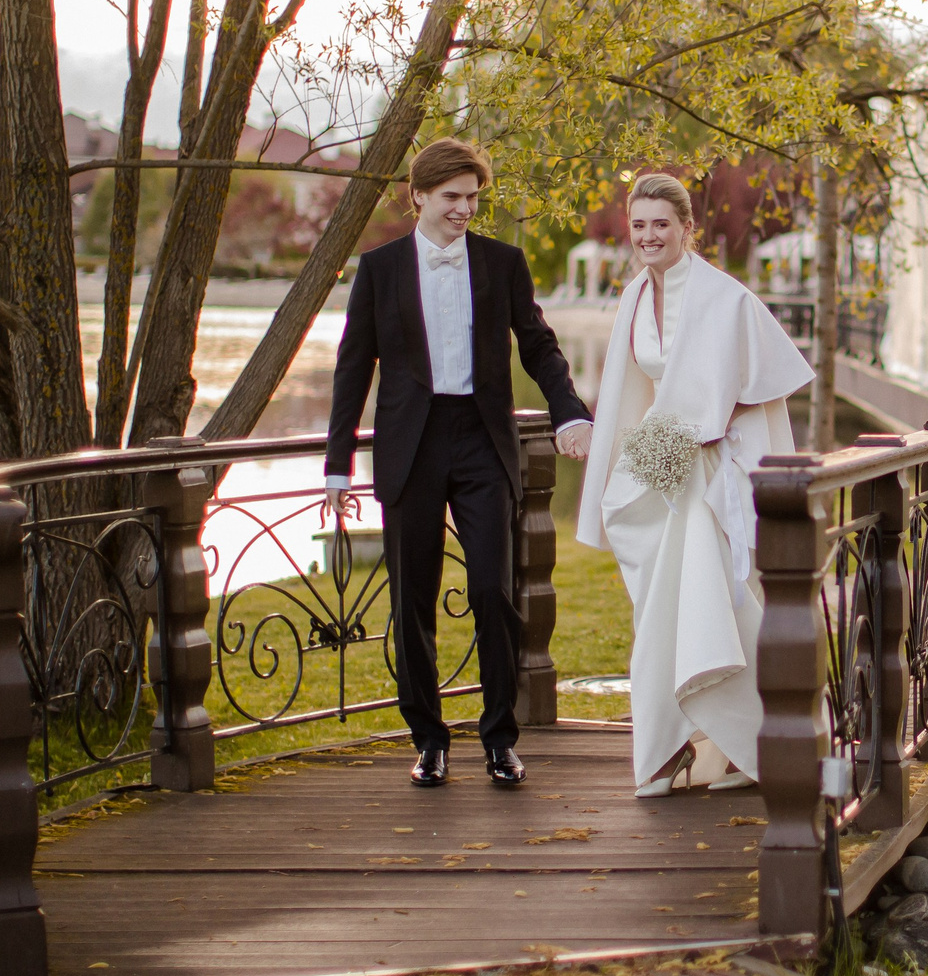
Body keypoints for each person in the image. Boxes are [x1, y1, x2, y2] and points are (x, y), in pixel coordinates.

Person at [323, 138, 593, 789]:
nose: (465, 209)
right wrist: (336, 465)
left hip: (481, 440)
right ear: (417, 195)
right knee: (411, 599)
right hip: (409, 445)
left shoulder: (503, 263)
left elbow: (538, 345)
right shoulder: (380, 269)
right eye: (452, 197)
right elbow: (352, 367)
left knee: (492, 591)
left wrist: (569, 411)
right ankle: (429, 740)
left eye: (472, 197)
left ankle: (500, 737)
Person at [574, 173, 813, 797]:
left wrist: (712, 436)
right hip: (661, 461)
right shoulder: (632, 297)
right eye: (640, 226)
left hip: (708, 471)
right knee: (660, 599)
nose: (649, 237)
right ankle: (712, 744)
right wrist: (618, 459)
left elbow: (754, 392)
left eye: (662, 225)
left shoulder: (725, 298)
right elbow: (632, 391)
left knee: (709, 603)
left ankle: (687, 745)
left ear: (687, 229)